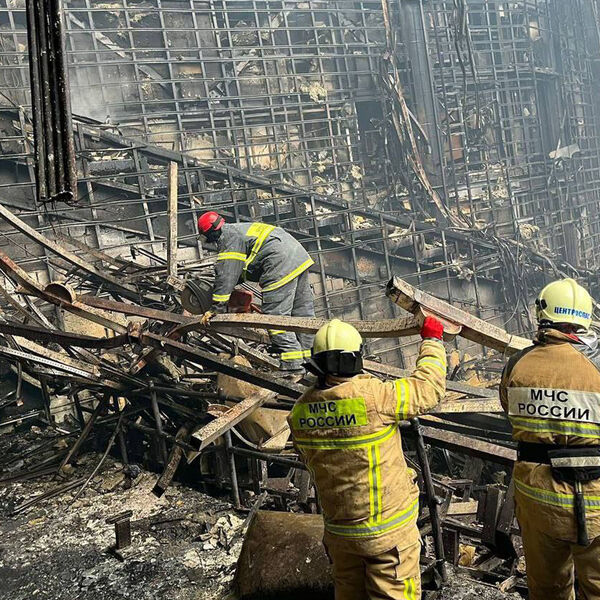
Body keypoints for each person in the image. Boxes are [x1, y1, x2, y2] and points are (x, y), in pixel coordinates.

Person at [287, 317, 447, 599]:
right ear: (355, 359)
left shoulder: (299, 413)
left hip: (340, 536)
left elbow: (306, 458)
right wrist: (432, 341)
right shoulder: (375, 397)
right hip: (386, 538)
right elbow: (428, 389)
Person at [500, 278, 600, 600]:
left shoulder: (517, 365)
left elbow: (508, 409)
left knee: (547, 591)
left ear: (542, 316)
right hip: (595, 501)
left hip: (537, 499)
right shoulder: (596, 365)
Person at [197, 211, 315, 373]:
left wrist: (215, 308)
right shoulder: (240, 230)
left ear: (211, 233)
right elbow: (241, 270)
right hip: (298, 256)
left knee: (275, 318)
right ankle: (310, 363)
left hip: (279, 262)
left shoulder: (228, 238)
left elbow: (228, 273)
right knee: (302, 315)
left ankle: (293, 366)